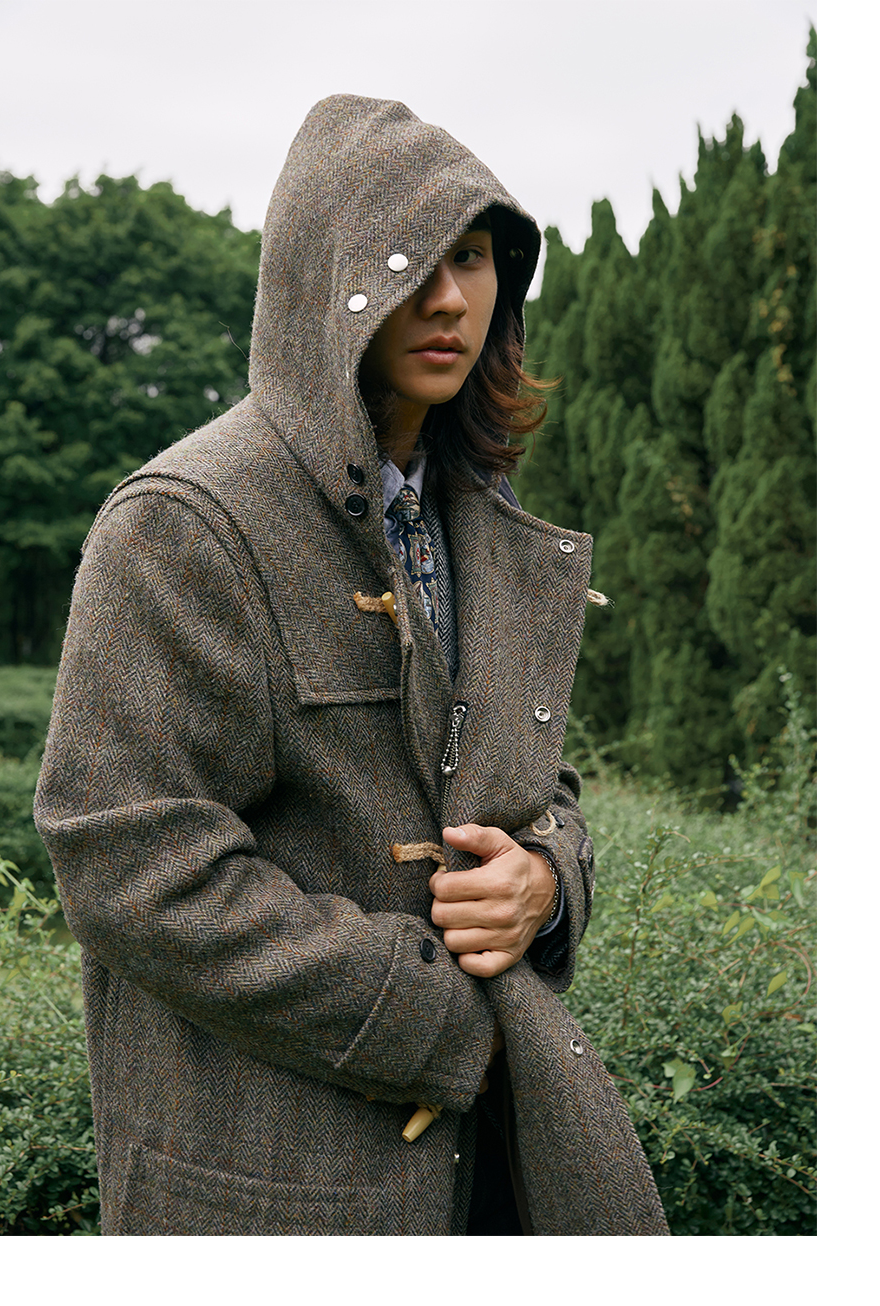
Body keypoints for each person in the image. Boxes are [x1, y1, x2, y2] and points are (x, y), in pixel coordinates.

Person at [34, 94, 669, 1237]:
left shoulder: (481, 517)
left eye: (471, 257)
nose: (447, 298)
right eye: (410, 262)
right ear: (317, 278)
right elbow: (127, 857)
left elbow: (540, 784)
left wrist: (542, 881)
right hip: (272, 1183)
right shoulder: (184, 521)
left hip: (493, 1174)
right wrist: (424, 1016)